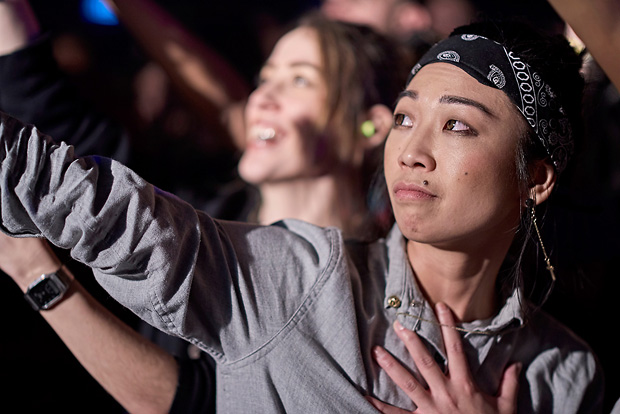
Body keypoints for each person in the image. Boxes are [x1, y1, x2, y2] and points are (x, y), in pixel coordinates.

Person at [0, 17, 603, 414]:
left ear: (536, 178)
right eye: (406, 118)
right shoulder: (297, 279)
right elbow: (89, 201)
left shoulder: (566, 376)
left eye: (457, 126)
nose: (413, 152)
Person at [0, 2, 408, 412]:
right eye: (265, 78)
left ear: (370, 127)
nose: (263, 97)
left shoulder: (376, 292)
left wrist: (36, 272)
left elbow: (190, 402)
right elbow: (39, 95)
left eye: (300, 80)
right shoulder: (191, 215)